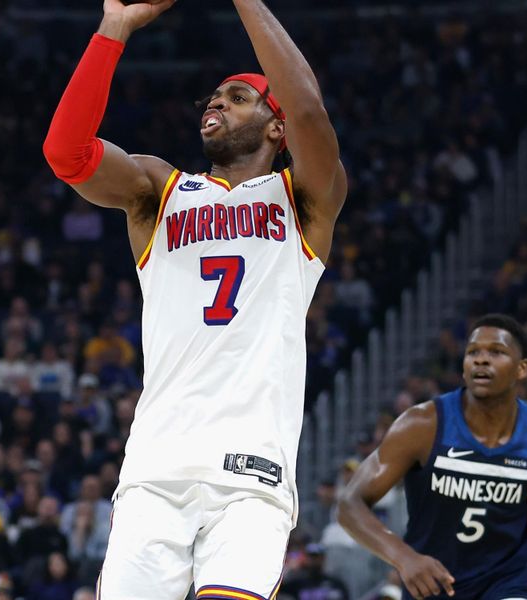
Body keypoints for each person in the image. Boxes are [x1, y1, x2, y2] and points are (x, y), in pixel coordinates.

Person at [43, 0, 346, 596]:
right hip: (157, 471)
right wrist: (114, 30)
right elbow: (66, 153)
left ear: (275, 126)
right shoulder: (159, 189)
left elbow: (309, 108)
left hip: (251, 477)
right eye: (211, 96)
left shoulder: (306, 195)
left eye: (236, 97)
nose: (214, 103)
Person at [339, 314, 527, 599]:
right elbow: (350, 504)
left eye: (496, 352)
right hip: (433, 585)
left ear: (522, 368)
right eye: (473, 352)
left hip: (507, 585)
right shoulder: (422, 425)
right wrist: (404, 557)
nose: (481, 360)